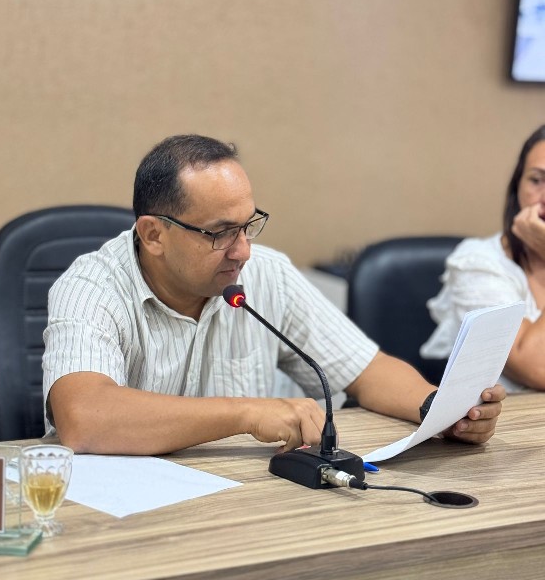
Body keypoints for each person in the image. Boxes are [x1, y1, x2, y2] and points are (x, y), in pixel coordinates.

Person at [43, 134, 504, 456]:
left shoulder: (267, 274)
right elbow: (84, 417)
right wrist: (246, 413)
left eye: (248, 225)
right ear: (154, 235)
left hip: (241, 501)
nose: (243, 251)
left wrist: (442, 411)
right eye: (221, 232)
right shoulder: (91, 288)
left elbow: (367, 371)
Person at [421, 125, 545, 392]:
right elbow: (538, 367)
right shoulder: (478, 263)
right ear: (517, 187)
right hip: (509, 416)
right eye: (537, 180)